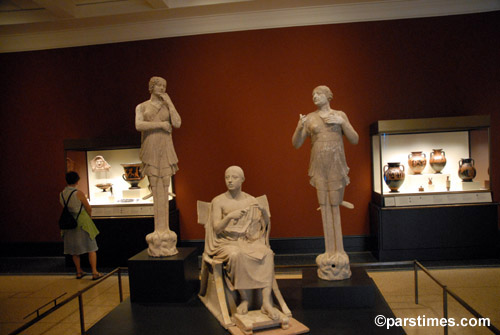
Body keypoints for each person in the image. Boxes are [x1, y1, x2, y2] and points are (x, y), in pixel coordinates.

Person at [292, 85, 359, 280]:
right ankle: (329, 252)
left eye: (319, 93)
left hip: (336, 164)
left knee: (335, 206)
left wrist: (343, 123)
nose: (315, 96)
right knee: (324, 205)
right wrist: (298, 126)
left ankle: (340, 251)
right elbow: (296, 144)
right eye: (312, 94)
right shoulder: (310, 118)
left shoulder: (340, 114)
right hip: (319, 165)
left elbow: (354, 139)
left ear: (328, 96)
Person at [204, 166, 279, 320]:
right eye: (227, 177)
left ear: (243, 180)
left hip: (246, 240)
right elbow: (217, 228)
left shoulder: (250, 200)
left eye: (234, 177)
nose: (230, 180)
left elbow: (262, 225)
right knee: (236, 255)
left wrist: (264, 212)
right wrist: (230, 216)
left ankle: (266, 302)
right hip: (225, 243)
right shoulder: (218, 201)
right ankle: (244, 298)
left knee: (267, 253)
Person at [136, 76, 181, 257]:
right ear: (151, 87)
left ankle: (166, 231)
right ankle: (157, 232)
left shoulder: (167, 106)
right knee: (155, 187)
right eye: (159, 85)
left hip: (165, 146)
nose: (162, 88)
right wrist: (160, 125)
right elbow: (139, 124)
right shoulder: (142, 106)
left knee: (164, 185)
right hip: (151, 145)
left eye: (164, 85)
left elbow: (177, 123)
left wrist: (170, 103)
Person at [60, 171, 102, 280]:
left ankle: (78, 271)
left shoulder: (62, 194)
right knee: (91, 247)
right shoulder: (78, 193)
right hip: (82, 222)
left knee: (74, 249)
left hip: (69, 223)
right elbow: (88, 207)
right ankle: (94, 271)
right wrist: (89, 216)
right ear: (77, 180)